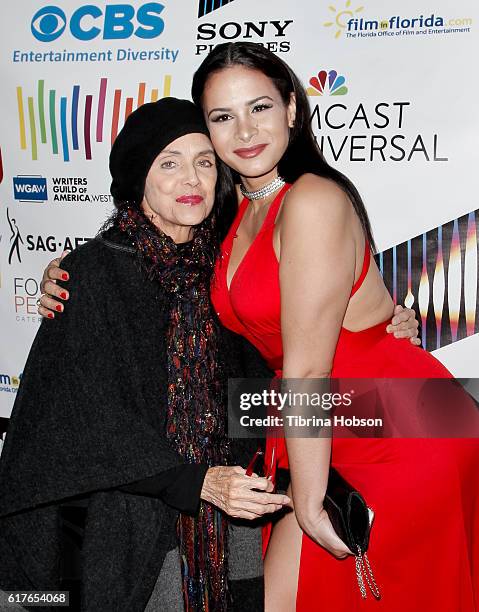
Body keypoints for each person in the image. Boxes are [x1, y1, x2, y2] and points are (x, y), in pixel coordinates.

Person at [38, 52, 425, 609]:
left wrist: (379, 337)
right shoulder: (223, 223)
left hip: (370, 425)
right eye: (221, 118)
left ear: (292, 107)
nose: (243, 132)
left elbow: (312, 356)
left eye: (259, 107)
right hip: (302, 438)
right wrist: (65, 274)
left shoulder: (307, 200)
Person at [0, 97, 292, 612]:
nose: (192, 180)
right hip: (132, 526)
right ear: (140, 179)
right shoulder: (93, 273)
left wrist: (377, 325)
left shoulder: (227, 269)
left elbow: (267, 370)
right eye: (170, 163)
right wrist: (198, 481)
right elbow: (84, 419)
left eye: (204, 162)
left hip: (228, 522)